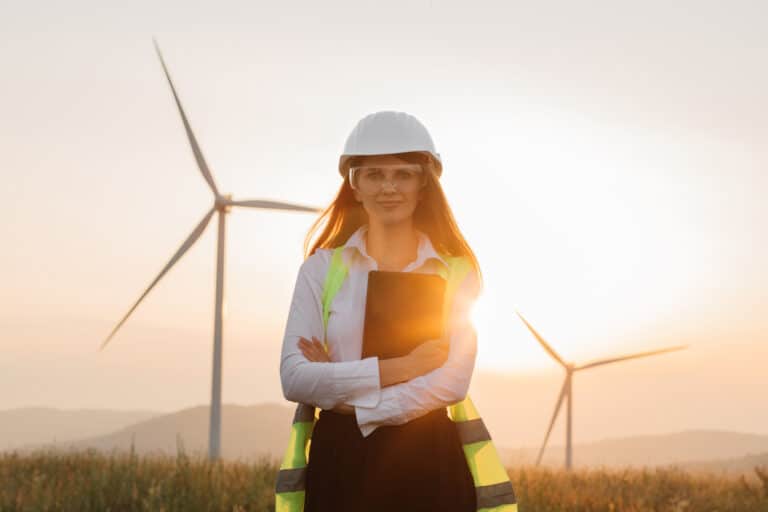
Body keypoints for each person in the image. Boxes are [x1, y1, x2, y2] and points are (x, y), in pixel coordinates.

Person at [279, 111, 484, 512]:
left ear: (425, 183)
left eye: (403, 174)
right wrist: (406, 367)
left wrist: (351, 405)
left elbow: (452, 381)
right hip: (341, 465)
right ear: (353, 185)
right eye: (373, 175)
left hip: (430, 463)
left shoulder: (457, 272)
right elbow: (295, 378)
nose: (388, 187)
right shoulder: (321, 269)